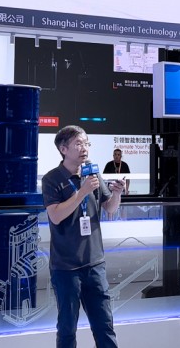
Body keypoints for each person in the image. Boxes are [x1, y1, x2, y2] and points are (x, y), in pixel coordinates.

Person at [42, 125, 125, 348]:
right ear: (63, 149)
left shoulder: (92, 172)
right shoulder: (52, 179)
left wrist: (117, 193)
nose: (84, 148)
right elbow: (55, 216)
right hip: (66, 268)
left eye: (86, 143)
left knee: (104, 326)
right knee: (67, 328)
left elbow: (109, 208)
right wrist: (82, 192)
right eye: (78, 144)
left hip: (94, 263)